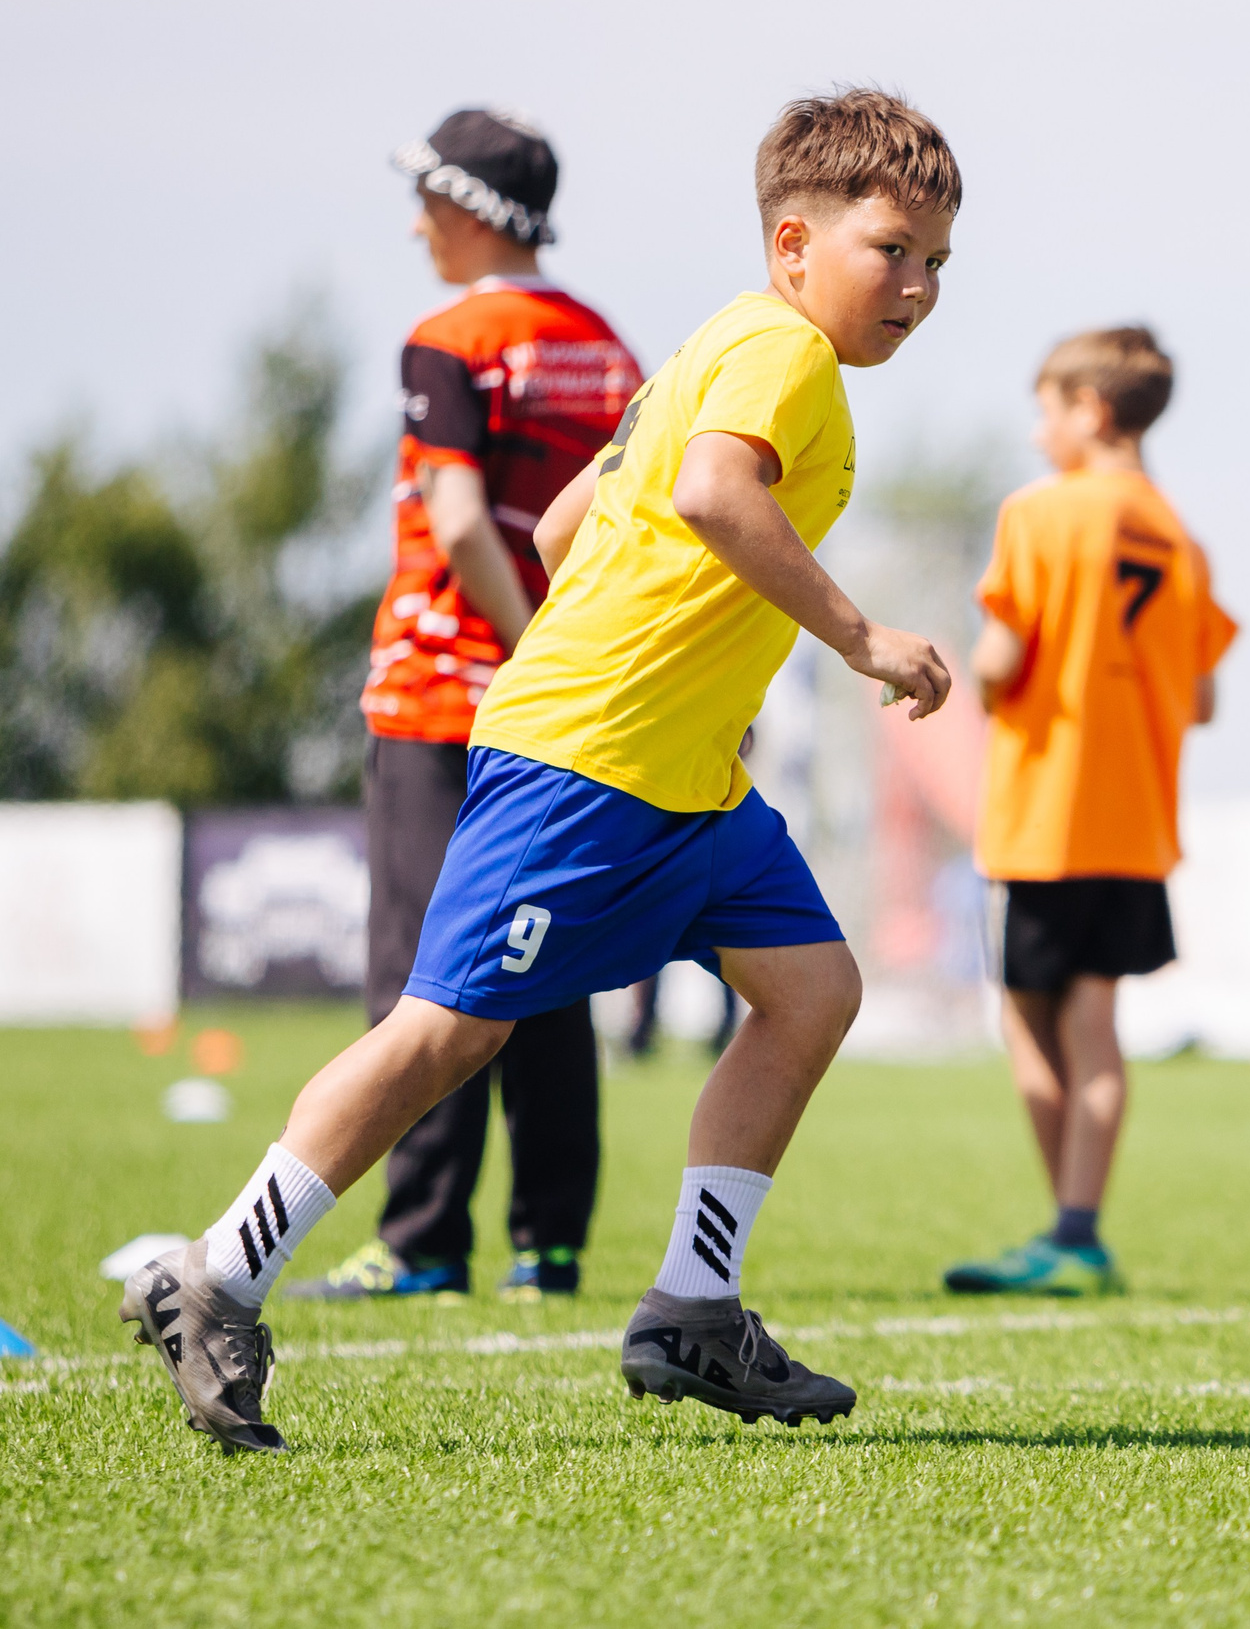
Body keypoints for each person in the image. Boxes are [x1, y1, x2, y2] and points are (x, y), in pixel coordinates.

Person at [120, 88, 962, 1454]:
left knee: (811, 990)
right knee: (447, 1031)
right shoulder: (785, 356)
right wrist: (860, 635)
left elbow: (575, 521)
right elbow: (709, 496)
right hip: (590, 763)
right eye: (893, 250)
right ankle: (217, 1270)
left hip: (681, 772)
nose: (918, 286)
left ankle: (693, 1302)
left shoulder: (718, 345)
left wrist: (684, 662)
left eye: (937, 262)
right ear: (796, 242)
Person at [286, 108, 641, 1305]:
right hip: (581, 714)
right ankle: (551, 1245)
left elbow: (452, 521)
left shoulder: (451, 335)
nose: (416, 227)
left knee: (422, 975)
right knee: (545, 969)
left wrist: (526, 647)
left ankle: (425, 1242)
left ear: (471, 211)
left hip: (451, 695)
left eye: (430, 203)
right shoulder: (609, 348)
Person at [941, 327, 1236, 1297]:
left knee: (1031, 1025)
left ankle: (1070, 1233)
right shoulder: (1180, 536)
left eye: (1047, 411)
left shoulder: (1040, 516)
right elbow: (1200, 698)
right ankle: (1078, 1227)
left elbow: (995, 662)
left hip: (1044, 812)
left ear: (1092, 411)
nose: (1037, 435)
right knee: (1096, 1023)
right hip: (1135, 817)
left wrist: (988, 689)